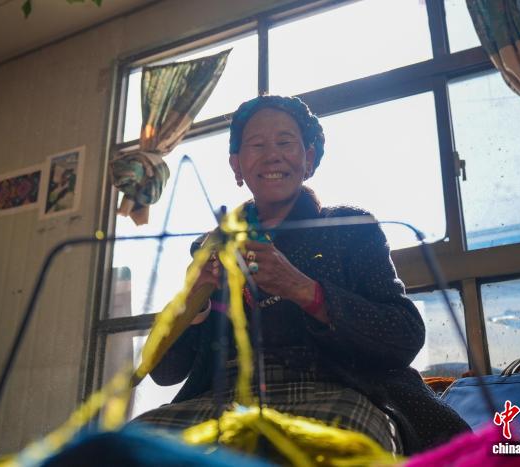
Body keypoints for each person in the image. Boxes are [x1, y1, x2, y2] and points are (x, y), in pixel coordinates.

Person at [134, 95, 470, 455]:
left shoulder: (348, 227)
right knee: (126, 447)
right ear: (236, 165)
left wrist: (305, 290)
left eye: (285, 143)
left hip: (338, 390)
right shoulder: (213, 246)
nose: (272, 155)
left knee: (343, 447)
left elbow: (404, 336)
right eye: (256, 145)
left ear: (308, 159)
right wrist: (193, 299)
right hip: (222, 399)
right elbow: (164, 372)